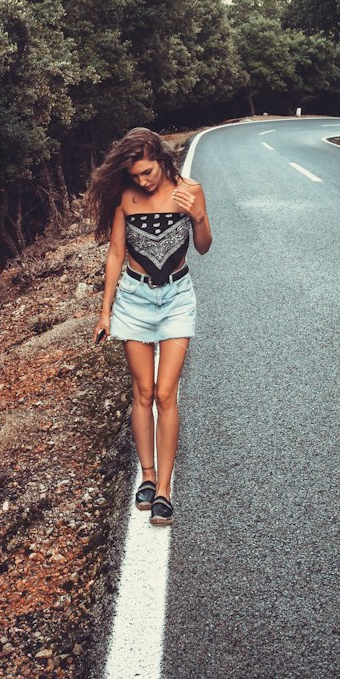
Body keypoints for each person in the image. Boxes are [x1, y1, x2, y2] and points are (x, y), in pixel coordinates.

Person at [87, 127, 212, 527]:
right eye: (136, 174)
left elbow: (205, 245)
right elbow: (116, 254)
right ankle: (147, 477)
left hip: (177, 298)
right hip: (135, 299)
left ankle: (165, 492)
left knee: (164, 393)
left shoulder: (190, 190)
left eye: (147, 172)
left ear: (161, 158)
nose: (142, 180)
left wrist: (198, 216)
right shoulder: (125, 197)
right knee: (142, 392)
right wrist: (105, 312)